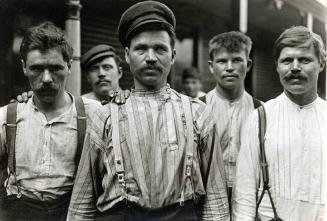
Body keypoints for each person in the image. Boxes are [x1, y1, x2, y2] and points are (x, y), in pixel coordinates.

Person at [68, 1, 229, 221]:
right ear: (127, 55)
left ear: (172, 56)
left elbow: (217, 200)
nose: (151, 57)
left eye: (160, 49)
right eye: (141, 48)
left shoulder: (198, 113)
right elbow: (82, 202)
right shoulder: (104, 116)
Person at [0, 22, 101, 221]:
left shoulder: (93, 113)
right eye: (37, 69)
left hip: (72, 213)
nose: (46, 78)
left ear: (69, 66)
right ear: (24, 68)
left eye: (55, 68)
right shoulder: (6, 117)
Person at [233, 26, 327, 220]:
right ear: (277, 66)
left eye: (305, 59)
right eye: (286, 60)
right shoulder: (260, 118)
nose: (294, 67)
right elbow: (245, 192)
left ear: (321, 63)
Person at [201, 31, 261, 213]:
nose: (229, 67)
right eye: (222, 61)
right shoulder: (198, 108)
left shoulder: (261, 111)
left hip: (249, 199)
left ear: (248, 64)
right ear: (211, 66)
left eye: (236, 60)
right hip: (207, 200)